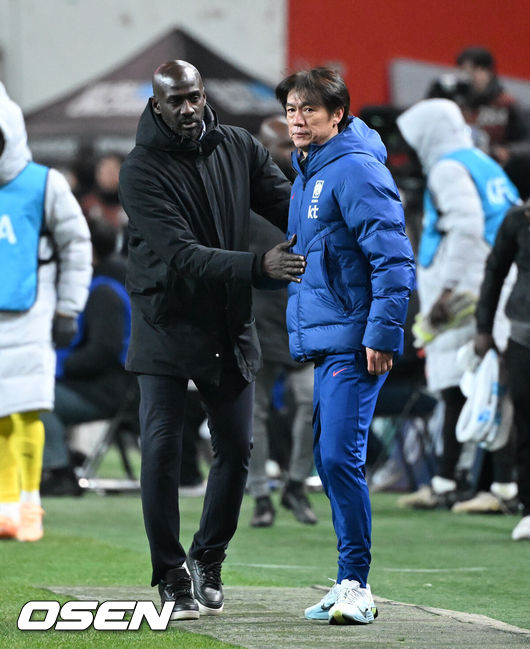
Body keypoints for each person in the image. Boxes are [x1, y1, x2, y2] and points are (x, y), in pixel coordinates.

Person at [118, 60, 303, 621]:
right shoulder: (139, 170)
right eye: (176, 100)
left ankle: (208, 556)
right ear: (156, 104)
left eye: (194, 97)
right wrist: (258, 266)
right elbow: (182, 254)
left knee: (238, 447)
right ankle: (171, 574)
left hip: (227, 320)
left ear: (204, 95)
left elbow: (288, 206)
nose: (188, 108)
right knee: (162, 451)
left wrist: (339, 221)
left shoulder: (239, 146)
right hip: (165, 323)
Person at [275, 67, 415, 625]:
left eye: (309, 109)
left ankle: (358, 585)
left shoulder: (354, 168)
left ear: (338, 115)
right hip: (331, 338)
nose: (297, 119)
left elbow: (393, 256)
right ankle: (346, 581)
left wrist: (382, 333)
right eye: (291, 109)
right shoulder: (308, 171)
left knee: (338, 457)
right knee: (328, 459)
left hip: (357, 341)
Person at [396, 98, 520, 509]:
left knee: (472, 387)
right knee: (482, 387)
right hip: (495, 283)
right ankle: (459, 483)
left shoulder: (448, 168)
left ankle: (491, 488)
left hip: (470, 291)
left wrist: (447, 290)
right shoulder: (482, 162)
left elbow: (467, 227)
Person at [0, 83, 92, 541]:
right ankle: (6, 507)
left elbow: (76, 244)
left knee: (27, 411)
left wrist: (69, 309)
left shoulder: (44, 184)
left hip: (32, 314)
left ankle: (30, 504)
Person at [248, 115, 316, 528]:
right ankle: (260, 494)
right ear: (263, 150)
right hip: (256, 318)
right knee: (252, 412)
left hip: (304, 316)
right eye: (284, 144)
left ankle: (296, 484)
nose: (293, 150)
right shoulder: (242, 200)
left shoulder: (312, 190)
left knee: (313, 402)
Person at [40, 218, 132, 496]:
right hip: (87, 384)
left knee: (37, 398)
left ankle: (59, 472)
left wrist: (56, 366)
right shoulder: (98, 285)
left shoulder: (104, 291)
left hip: (104, 390)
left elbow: (102, 352)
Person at [473, 199, 530, 540]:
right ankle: (529, 508)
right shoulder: (517, 219)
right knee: (525, 417)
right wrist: (483, 328)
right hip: (523, 335)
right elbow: (495, 270)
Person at [456, 46, 530, 199]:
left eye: (473, 71)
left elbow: (526, 143)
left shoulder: (507, 104)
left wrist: (508, 151)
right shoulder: (458, 104)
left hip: (499, 174)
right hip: (464, 171)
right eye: (464, 71)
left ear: (487, 71)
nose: (469, 77)